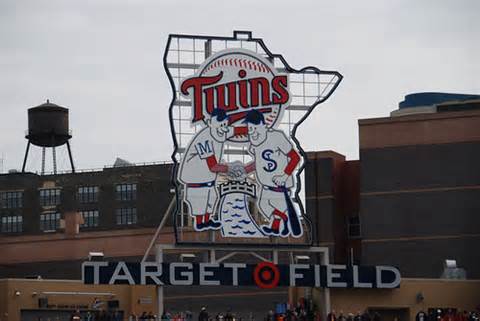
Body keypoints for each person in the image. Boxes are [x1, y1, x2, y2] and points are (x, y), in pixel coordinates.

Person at [243, 109, 302, 237]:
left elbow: (295, 157)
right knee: (263, 205)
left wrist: (284, 176)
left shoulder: (277, 137)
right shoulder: (254, 144)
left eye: (254, 128)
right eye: (250, 129)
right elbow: (258, 163)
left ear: (263, 125)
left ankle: (281, 223)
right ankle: (280, 223)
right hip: (265, 186)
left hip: (279, 186)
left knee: (273, 207)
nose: (252, 132)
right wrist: (244, 171)